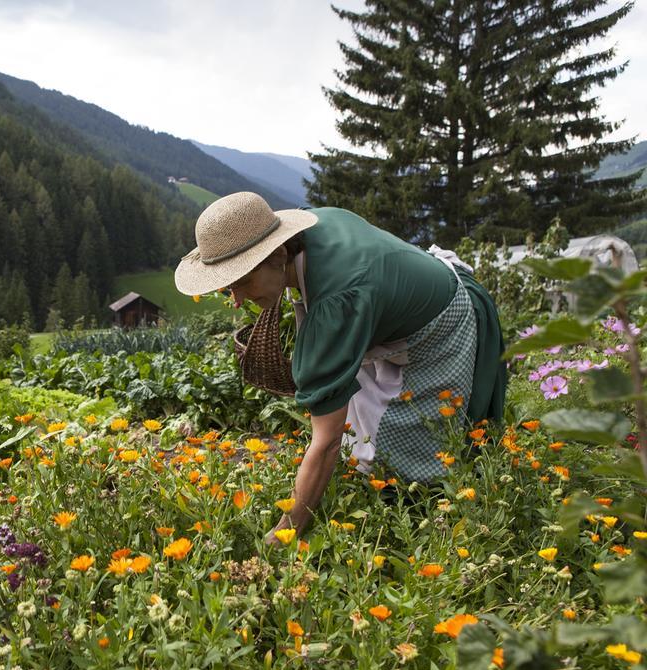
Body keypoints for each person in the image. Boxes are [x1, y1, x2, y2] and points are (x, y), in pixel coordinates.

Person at [173, 192, 507, 544]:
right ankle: (366, 491)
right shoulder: (310, 231)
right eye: (229, 287)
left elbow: (327, 440)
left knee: (410, 441)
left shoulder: (338, 298)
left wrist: (287, 532)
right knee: (360, 432)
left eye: (241, 281)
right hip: (387, 309)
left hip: (442, 324)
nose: (237, 300)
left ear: (278, 253)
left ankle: (424, 525)